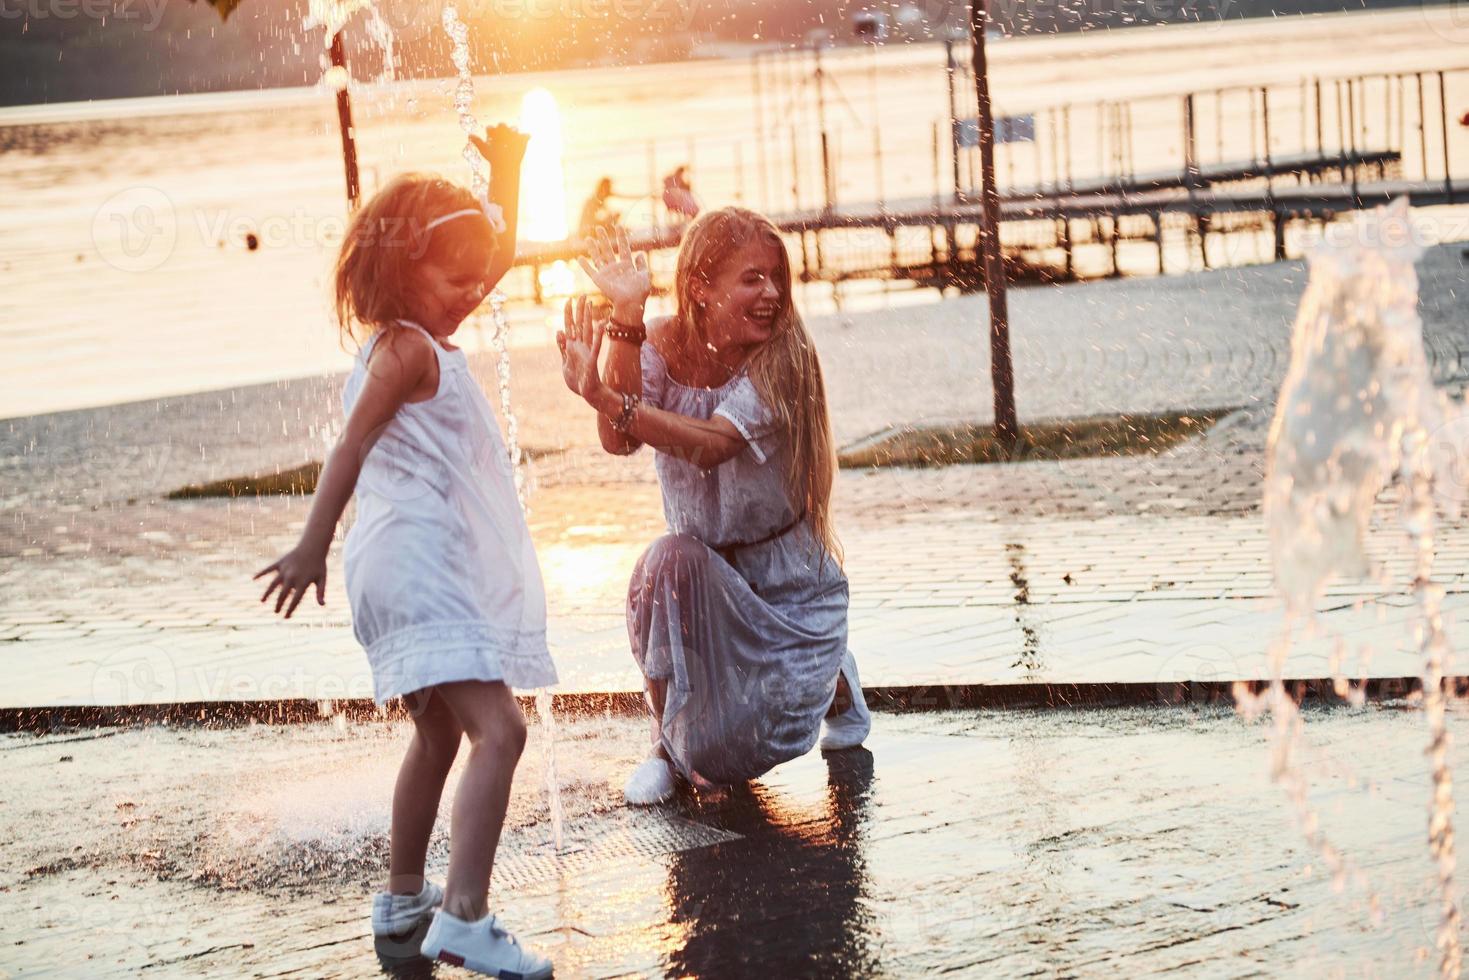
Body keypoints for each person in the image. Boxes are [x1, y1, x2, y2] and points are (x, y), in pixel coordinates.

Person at [252, 125, 555, 980]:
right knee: (500, 728)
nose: (470, 293)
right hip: (415, 565)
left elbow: (493, 256)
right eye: (451, 279)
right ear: (399, 271)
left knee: (436, 733)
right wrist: (309, 544)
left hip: (397, 565)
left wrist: (506, 173)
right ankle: (464, 915)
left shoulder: (419, 330)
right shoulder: (408, 347)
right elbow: (347, 446)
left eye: (472, 279)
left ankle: (401, 905)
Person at [556, 211, 872, 806]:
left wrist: (603, 396)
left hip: (789, 592)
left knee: (749, 748)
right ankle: (666, 744)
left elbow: (712, 447)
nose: (772, 294)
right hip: (704, 578)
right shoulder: (656, 340)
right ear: (701, 287)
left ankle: (832, 681)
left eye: (776, 278)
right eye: (753, 279)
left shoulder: (785, 354)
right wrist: (626, 319)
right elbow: (620, 439)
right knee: (663, 563)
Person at [578, 176, 622, 241]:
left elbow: (606, 212)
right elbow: (590, 221)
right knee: (613, 217)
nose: (610, 189)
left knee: (614, 216)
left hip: (587, 230)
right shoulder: (594, 200)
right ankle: (613, 235)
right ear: (604, 187)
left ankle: (613, 233)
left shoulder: (598, 198)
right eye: (609, 187)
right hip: (586, 233)